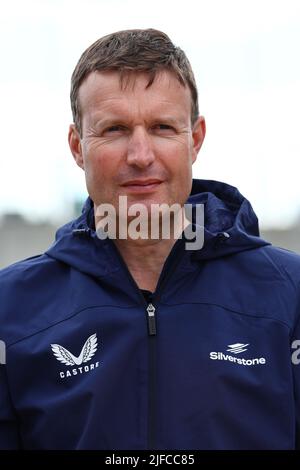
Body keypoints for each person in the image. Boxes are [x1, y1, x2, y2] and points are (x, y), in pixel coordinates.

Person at [0, 28, 299, 451]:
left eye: (161, 127)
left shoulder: (290, 295)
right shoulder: (10, 307)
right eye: (115, 129)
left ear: (194, 140)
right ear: (77, 146)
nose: (141, 156)